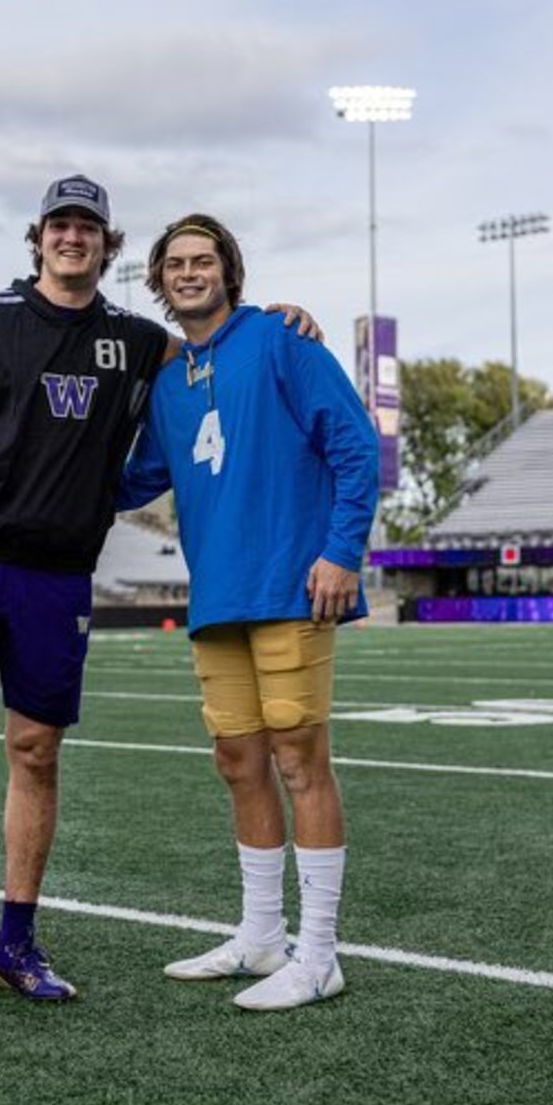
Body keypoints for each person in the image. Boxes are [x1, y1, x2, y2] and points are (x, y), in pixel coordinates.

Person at [0, 178, 322, 1012]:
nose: (74, 238)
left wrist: (277, 319)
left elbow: (221, 348)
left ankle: (15, 942)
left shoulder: (140, 340)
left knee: (36, 751)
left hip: (57, 576)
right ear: (38, 238)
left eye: (90, 229)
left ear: (109, 247)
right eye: (61, 225)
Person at [118, 213, 379, 1011]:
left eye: (204, 261)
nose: (190, 273)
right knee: (238, 761)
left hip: (293, 584)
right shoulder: (168, 381)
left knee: (300, 756)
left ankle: (321, 953)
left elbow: (355, 444)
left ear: (230, 271)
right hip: (218, 596)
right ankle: (263, 936)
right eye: (175, 265)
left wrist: (342, 551)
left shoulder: (281, 340)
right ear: (159, 283)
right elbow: (138, 480)